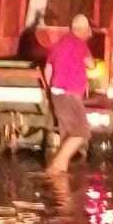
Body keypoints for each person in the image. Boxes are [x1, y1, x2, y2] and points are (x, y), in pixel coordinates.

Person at [44, 12, 95, 174]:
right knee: (82, 132)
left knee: (67, 135)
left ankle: (60, 175)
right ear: (83, 30)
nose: (88, 34)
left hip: (56, 93)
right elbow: (91, 64)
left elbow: (48, 70)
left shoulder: (58, 44)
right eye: (87, 31)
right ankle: (55, 166)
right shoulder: (80, 44)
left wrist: (49, 90)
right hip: (70, 94)